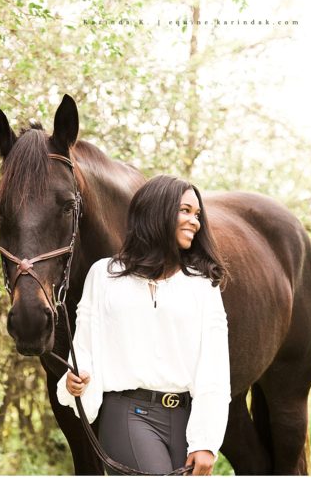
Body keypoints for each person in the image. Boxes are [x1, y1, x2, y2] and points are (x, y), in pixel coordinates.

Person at [56, 174, 231, 475]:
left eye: (197, 214)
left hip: (185, 419)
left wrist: (206, 441)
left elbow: (214, 368)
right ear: (156, 212)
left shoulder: (203, 285)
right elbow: (84, 348)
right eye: (185, 211)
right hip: (128, 414)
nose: (195, 222)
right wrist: (75, 380)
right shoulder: (105, 275)